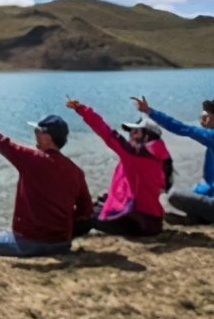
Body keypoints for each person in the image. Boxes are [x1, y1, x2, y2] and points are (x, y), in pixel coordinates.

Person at [0, 101, 92, 257]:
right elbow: (86, 210)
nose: (34, 132)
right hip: (62, 244)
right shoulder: (76, 172)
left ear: (48, 138)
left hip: (30, 244)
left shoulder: (31, 159)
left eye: (38, 130)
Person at [130, 96, 214, 224]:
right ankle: (198, 217)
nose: (202, 122)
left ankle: (198, 218)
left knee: (173, 196)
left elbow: (182, 128)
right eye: (201, 118)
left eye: (206, 118)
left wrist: (150, 111)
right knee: (198, 190)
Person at [65, 97, 168, 237]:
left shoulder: (134, 155)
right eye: (131, 131)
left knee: (86, 214)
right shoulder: (159, 158)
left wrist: (83, 110)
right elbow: (136, 188)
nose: (131, 135)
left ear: (147, 136)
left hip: (139, 224)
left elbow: (107, 133)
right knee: (95, 206)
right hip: (153, 221)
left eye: (136, 132)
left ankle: (57, 239)